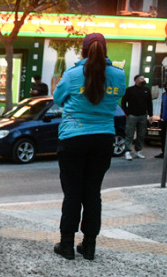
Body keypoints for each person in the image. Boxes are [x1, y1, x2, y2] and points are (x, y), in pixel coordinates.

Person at [52, 32, 125, 261]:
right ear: (105, 51)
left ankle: (66, 245)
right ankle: (89, 246)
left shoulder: (72, 74)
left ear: (83, 51)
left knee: (72, 193)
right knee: (93, 193)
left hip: (73, 137)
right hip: (103, 138)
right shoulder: (119, 75)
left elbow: (57, 98)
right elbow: (117, 97)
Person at [120, 74, 152, 160]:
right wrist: (127, 113)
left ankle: (138, 150)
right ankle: (127, 151)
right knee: (129, 133)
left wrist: (150, 115)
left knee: (141, 134)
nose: (143, 80)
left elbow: (149, 103)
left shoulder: (147, 90)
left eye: (143, 78)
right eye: (141, 79)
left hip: (143, 115)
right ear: (136, 80)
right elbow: (123, 102)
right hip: (132, 115)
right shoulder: (130, 90)